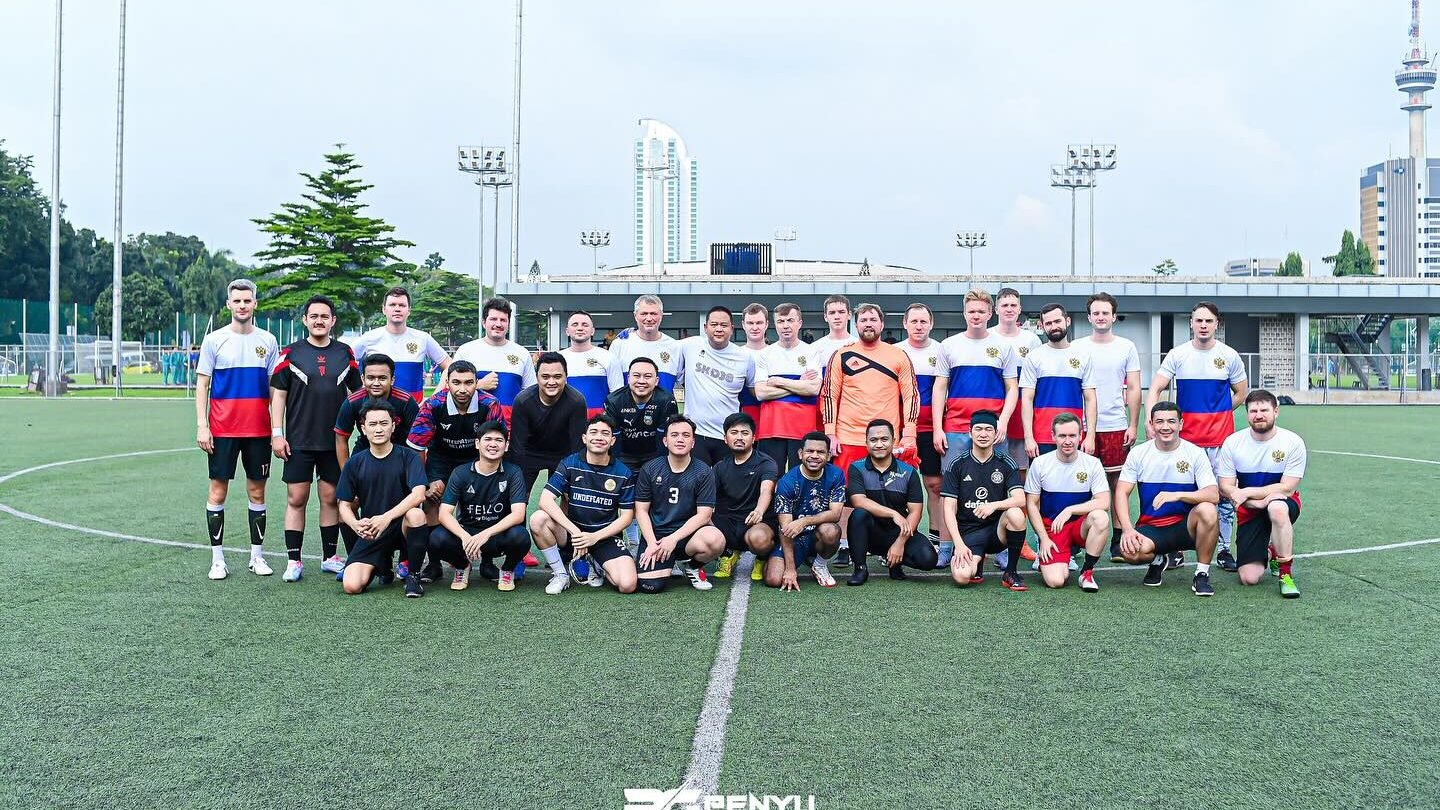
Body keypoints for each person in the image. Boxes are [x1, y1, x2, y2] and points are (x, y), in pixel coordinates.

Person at [1146, 301, 1248, 572]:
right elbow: (1155, 388)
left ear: (1217, 324)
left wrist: (1220, 412)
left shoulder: (1229, 355)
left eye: (1209, 321)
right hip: (1186, 442)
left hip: (1220, 441)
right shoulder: (1178, 355)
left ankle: (1224, 550)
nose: (1203, 325)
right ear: (1191, 323)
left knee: (1223, 496)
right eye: (1198, 321)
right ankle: (1176, 548)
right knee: (1183, 495)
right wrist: (1150, 418)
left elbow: (1241, 392)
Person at [268, 295, 360, 581]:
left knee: (330, 497)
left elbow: (356, 396)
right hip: (299, 440)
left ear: (333, 321)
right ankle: (294, 560)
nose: (319, 321)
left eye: (325, 316)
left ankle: (329, 557)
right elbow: (278, 396)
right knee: (297, 497)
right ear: (305, 320)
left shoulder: (345, 353)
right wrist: (277, 434)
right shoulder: (291, 353)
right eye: (314, 316)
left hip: (334, 441)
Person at [821, 303, 919, 570]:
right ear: (856, 323)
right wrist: (830, 433)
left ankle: (891, 542)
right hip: (849, 435)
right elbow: (829, 395)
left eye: (873, 319)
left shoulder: (898, 356)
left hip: (888, 440)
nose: (868, 323)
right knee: (844, 495)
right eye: (863, 319)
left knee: (893, 494)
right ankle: (844, 545)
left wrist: (909, 433)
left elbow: (911, 395)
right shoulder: (841, 355)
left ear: (882, 324)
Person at [195, 279, 280, 581]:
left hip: (258, 430)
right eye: (237, 301)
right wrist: (203, 425)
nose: (242, 305)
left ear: (255, 304)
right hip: (222, 429)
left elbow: (275, 390)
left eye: (247, 300)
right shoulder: (214, 340)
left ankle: (256, 556)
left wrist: (277, 428)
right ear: (229, 304)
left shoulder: (268, 341)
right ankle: (217, 560)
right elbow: (202, 383)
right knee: (218, 491)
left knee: (257, 490)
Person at [934, 289, 1020, 569]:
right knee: (953, 492)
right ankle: (948, 546)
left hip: (993, 430)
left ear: (989, 313)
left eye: (981, 311)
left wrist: (1004, 421)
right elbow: (940, 388)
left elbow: (1012, 388)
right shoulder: (948, 345)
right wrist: (938, 427)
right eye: (972, 311)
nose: (976, 316)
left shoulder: (1004, 346)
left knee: (998, 489)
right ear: (965, 314)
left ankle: (1003, 548)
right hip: (956, 429)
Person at [406, 360, 505, 581]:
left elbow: (498, 442)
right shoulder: (433, 405)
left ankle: (487, 562)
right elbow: (415, 448)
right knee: (433, 501)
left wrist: (489, 474)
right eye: (456, 382)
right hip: (441, 457)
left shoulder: (490, 404)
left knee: (484, 501)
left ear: (477, 383)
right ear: (447, 383)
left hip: (478, 457)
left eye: (469, 383)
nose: (462, 389)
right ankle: (433, 564)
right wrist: (425, 483)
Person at [1113, 402, 1220, 597]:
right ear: (1152, 424)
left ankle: (1202, 574)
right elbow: (1121, 492)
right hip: (1152, 526)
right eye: (1160, 421)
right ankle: (1157, 560)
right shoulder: (1139, 453)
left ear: (1181, 424)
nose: (1165, 427)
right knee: (1128, 551)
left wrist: (1178, 495)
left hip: (1186, 527)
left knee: (1208, 510)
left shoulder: (1194, 452)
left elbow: (1213, 494)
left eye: (1171, 421)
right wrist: (1127, 529)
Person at [529, 414, 640, 595]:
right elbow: (545, 500)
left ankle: (597, 564)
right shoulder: (570, 463)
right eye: (593, 432)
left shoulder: (623, 472)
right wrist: (576, 532)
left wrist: (594, 537)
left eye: (605, 434)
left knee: (627, 585)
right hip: (572, 535)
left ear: (612, 441)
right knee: (538, 519)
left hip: (604, 537)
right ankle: (560, 575)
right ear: (584, 438)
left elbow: (627, 517)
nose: (598, 437)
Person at [1215, 390, 1306, 598]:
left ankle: (1285, 574)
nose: (1259, 415)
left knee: (1276, 506)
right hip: (1250, 510)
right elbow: (1225, 486)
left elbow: (1287, 488)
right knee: (1249, 578)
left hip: (1284, 503)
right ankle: (1270, 551)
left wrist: (1247, 492)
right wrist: (1255, 503)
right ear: (1247, 414)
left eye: (1264, 410)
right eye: (1253, 410)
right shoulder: (1233, 442)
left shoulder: (1292, 442)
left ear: (1276, 411)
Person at [335, 398, 430, 597]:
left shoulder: (408, 456)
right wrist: (356, 525)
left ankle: (413, 576)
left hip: (399, 525)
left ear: (393, 426)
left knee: (416, 515)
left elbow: (419, 494)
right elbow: (343, 505)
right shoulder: (355, 463)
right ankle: (382, 565)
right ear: (363, 428)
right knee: (351, 586)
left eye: (384, 423)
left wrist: (386, 518)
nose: (378, 429)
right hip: (373, 529)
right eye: (373, 424)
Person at [1073, 292, 1142, 562]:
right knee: (1079, 482)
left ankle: (1117, 538)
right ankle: (1077, 538)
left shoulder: (1126, 346)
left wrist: (1133, 424)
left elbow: (1134, 387)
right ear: (1089, 317)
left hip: (1115, 425)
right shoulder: (1077, 347)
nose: (1101, 317)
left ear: (1113, 316)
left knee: (1117, 484)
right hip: (1082, 426)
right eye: (1096, 313)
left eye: (1105, 313)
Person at [428, 419, 532, 592]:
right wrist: (465, 537)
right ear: (477, 444)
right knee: (436, 539)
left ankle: (507, 570)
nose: (493, 444)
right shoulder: (460, 473)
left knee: (521, 537)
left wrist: (486, 534)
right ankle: (462, 566)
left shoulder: (513, 472)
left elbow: (518, 514)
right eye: (488, 439)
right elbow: (444, 514)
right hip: (468, 534)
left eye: (499, 440)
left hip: (497, 535)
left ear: (506, 446)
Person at [940, 410, 1029, 591]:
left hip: (997, 531)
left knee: (1016, 514)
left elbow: (1020, 499)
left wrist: (993, 506)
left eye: (989, 429)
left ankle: (1010, 572)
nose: (983, 434)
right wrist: (958, 544)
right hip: (969, 533)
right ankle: (976, 563)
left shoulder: (1006, 463)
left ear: (996, 434)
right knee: (962, 577)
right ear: (970, 432)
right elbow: (948, 508)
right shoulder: (956, 464)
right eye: (978, 429)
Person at [635, 416, 726, 593]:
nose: (680, 439)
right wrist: (652, 542)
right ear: (665, 440)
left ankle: (692, 566)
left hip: (688, 537)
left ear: (693, 442)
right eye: (674, 435)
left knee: (715, 539)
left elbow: (704, 515)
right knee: (650, 586)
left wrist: (673, 539)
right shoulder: (650, 469)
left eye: (686, 435)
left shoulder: (703, 471)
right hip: (658, 537)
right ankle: (667, 563)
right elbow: (641, 510)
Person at [843, 419, 937, 585]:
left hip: (898, 531)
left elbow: (916, 512)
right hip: (870, 532)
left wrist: (900, 543)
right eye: (873, 440)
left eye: (884, 439)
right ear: (866, 443)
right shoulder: (856, 468)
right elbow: (858, 501)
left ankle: (895, 563)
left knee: (928, 559)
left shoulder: (908, 472)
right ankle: (860, 569)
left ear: (893, 441)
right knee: (859, 515)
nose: (879, 444)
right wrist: (893, 513)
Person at [1024, 414, 1111, 591]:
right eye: (1062, 436)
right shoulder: (1040, 464)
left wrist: (1070, 510)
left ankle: (1087, 572)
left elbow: (1104, 502)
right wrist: (1044, 539)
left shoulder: (1092, 464)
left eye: (1072, 436)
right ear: (1052, 436)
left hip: (1080, 526)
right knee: (1056, 581)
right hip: (1053, 528)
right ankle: (1048, 557)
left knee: (1100, 517)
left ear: (1080, 436)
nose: (1067, 441)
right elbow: (1031, 504)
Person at [674, 306, 757, 465]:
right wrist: (629, 335)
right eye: (714, 324)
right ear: (705, 328)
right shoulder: (690, 345)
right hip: (696, 434)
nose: (719, 329)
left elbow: (754, 390)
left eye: (724, 325)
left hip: (727, 435)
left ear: (732, 329)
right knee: (697, 484)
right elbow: (659, 344)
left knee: (727, 487)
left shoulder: (745, 357)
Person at [895, 302, 948, 548]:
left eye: (923, 321)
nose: (918, 326)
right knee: (894, 485)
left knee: (935, 484)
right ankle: (894, 540)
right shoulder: (893, 352)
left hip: (930, 429)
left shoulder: (941, 351)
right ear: (905, 324)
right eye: (913, 321)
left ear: (931, 324)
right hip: (897, 430)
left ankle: (936, 539)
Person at [769, 432, 846, 590]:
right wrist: (790, 570)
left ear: (829, 455)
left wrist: (804, 521)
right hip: (794, 538)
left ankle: (819, 564)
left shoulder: (836, 475)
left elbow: (836, 514)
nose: (815, 456)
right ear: (800, 454)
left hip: (818, 533)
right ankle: (787, 559)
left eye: (820, 452)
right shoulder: (787, 482)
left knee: (831, 531)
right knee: (774, 579)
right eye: (810, 451)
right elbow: (786, 529)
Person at [1019, 303, 1097, 458]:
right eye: (1048, 323)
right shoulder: (1034, 357)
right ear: (1042, 326)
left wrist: (1090, 436)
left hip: (1073, 436)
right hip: (1042, 436)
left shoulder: (1084, 356)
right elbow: (1026, 399)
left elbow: (1090, 399)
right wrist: (1028, 437)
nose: (1053, 326)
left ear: (1067, 321)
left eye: (1057, 321)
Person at [710, 412, 779, 583]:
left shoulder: (766, 463)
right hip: (729, 522)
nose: (739, 437)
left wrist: (759, 510)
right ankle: (727, 554)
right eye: (734, 433)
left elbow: (766, 490)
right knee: (701, 518)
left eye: (745, 433)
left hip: (757, 522)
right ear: (725, 438)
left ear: (754, 438)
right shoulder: (719, 467)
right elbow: (707, 497)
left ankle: (761, 559)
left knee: (759, 539)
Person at [349, 286, 450, 401]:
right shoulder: (369, 338)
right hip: (377, 412)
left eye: (402, 305)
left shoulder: (423, 338)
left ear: (409, 310)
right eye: (392, 305)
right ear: (384, 309)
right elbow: (344, 361)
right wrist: (358, 389)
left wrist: (432, 399)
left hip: (412, 413)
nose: (397, 309)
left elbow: (449, 365)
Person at [754, 302, 821, 472]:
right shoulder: (765, 354)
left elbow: (813, 389)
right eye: (780, 321)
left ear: (800, 323)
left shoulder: (811, 351)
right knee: (769, 478)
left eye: (790, 320)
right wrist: (799, 382)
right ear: (774, 324)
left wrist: (780, 381)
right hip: (771, 428)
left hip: (802, 429)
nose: (785, 326)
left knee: (800, 479)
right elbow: (761, 393)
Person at [509, 351, 588, 495]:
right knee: (518, 497)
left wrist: (575, 476)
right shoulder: (523, 401)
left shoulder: (576, 401)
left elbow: (578, 445)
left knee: (572, 497)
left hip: (563, 453)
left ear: (566, 377)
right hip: (529, 452)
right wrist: (516, 479)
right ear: (537, 377)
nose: (551, 382)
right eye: (545, 377)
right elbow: (517, 446)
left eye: (557, 376)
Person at [453, 297, 537, 421]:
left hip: (510, 429)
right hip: (473, 427)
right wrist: (479, 384)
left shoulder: (522, 353)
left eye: (503, 320)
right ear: (483, 322)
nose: (498, 324)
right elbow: (450, 389)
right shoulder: (466, 351)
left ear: (508, 323)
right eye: (493, 319)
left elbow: (532, 394)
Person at [334, 354, 420, 470]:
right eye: (371, 378)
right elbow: (341, 438)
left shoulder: (406, 402)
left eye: (382, 378)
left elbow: (419, 440)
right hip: (366, 447)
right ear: (363, 379)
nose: (376, 383)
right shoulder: (352, 402)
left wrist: (417, 476)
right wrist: (346, 473)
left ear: (392, 379)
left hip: (400, 449)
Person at [992, 287, 1042, 469]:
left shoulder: (1032, 340)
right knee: (994, 470)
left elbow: (1037, 381)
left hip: (1022, 416)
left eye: (1013, 305)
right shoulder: (988, 337)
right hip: (996, 414)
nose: (1009, 309)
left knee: (1021, 471)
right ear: (996, 309)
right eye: (1004, 305)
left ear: (1020, 309)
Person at [607, 294, 679, 391]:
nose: (649, 318)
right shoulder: (620, 344)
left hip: (664, 406)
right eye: (644, 313)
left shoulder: (675, 346)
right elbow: (612, 385)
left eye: (653, 313)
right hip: (627, 406)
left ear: (661, 316)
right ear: (635, 315)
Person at [558, 310, 615, 418]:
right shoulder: (558, 358)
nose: (580, 328)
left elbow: (617, 394)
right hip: (565, 420)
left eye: (585, 325)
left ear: (592, 331)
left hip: (598, 425)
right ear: (567, 331)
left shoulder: (608, 357)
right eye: (575, 324)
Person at [738, 303, 769, 425]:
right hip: (742, 419)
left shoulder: (776, 353)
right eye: (750, 323)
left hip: (772, 416)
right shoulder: (735, 355)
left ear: (766, 324)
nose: (755, 327)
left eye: (759, 323)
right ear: (743, 325)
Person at [809, 294, 856, 373]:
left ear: (849, 315)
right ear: (825, 317)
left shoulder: (858, 345)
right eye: (832, 313)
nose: (837, 316)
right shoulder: (815, 348)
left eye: (841, 312)